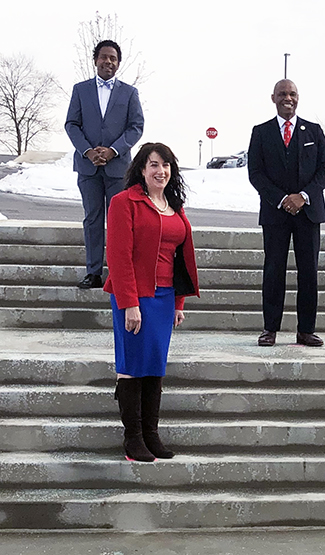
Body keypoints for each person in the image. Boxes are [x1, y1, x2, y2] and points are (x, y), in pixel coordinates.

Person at [103, 142, 199, 462]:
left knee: (155, 365)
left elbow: (181, 259)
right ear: (142, 170)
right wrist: (129, 302)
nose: (161, 171)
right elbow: (118, 256)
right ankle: (133, 439)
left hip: (164, 296)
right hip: (134, 295)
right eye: (154, 165)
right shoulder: (124, 202)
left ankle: (151, 435)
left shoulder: (175, 206)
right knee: (132, 366)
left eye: (166, 165)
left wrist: (178, 303)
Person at [247, 79, 325, 347]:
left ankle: (306, 330)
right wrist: (282, 199)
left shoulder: (314, 131)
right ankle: (270, 328)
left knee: (309, 272)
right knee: (274, 270)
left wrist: (302, 196)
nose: (288, 98)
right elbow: (255, 173)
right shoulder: (261, 132)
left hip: (308, 212)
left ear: (298, 97)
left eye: (292, 94)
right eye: (282, 93)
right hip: (275, 213)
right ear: (273, 98)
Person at [66, 39, 144, 289]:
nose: (108, 61)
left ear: (118, 63)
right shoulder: (80, 90)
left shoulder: (129, 93)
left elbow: (136, 127)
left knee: (119, 222)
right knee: (92, 218)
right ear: (95, 59)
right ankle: (93, 272)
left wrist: (113, 150)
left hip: (118, 168)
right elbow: (72, 124)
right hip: (88, 167)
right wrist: (88, 151)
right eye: (104, 57)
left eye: (113, 58)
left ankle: (118, 273)